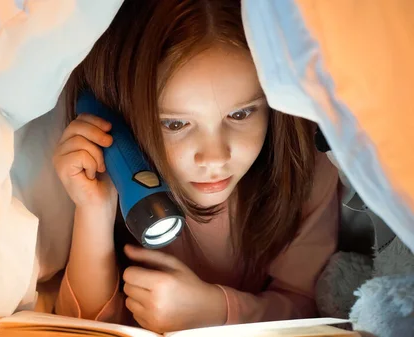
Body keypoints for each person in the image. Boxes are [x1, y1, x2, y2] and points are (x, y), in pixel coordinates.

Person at [52, 0, 340, 333]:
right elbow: (81, 328)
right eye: (175, 124)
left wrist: (217, 311)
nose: (215, 158)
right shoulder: (113, 172)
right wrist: (95, 210)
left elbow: (313, 309)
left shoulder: (303, 165)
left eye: (241, 114)